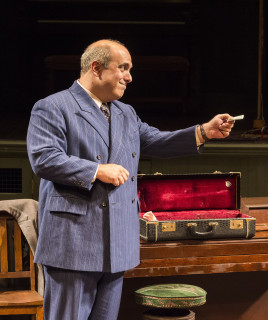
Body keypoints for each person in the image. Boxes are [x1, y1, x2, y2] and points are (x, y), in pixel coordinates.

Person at [26, 39, 235, 320]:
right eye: (123, 68)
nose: (129, 77)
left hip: (116, 246)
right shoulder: (53, 107)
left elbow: (158, 141)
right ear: (97, 68)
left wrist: (203, 132)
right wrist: (97, 170)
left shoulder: (126, 113)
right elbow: (44, 158)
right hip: (73, 245)